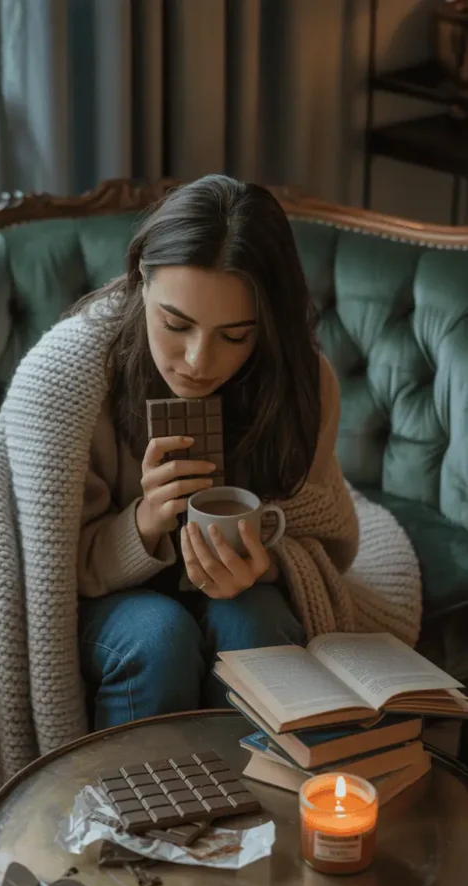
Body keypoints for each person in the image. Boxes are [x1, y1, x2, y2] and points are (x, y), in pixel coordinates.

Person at [62, 175, 359, 729]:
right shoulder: (79, 375)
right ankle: (136, 815)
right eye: (176, 324)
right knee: (158, 636)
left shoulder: (301, 383)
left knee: (259, 626)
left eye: (235, 336)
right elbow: (50, 565)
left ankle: (263, 808)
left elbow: (325, 534)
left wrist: (264, 563)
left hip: (238, 592)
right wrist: (144, 521)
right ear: (141, 282)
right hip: (104, 595)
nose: (198, 361)